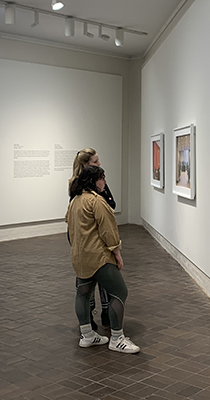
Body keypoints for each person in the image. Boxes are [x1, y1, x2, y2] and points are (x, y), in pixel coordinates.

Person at [66, 166, 140, 353]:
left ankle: (88, 336)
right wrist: (117, 253)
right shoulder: (96, 202)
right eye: (102, 178)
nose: (105, 182)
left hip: (80, 257)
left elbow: (69, 231)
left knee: (83, 294)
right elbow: (108, 230)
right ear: (93, 181)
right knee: (119, 292)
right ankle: (117, 338)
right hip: (99, 257)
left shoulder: (75, 201)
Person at [69, 148, 114, 331]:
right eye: (96, 162)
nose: (100, 164)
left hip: (88, 237)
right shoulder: (79, 187)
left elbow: (112, 203)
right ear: (86, 165)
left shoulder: (91, 185)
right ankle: (89, 319)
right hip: (88, 238)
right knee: (87, 280)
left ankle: (103, 314)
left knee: (96, 279)